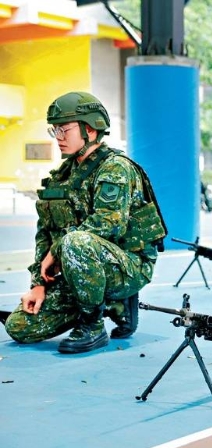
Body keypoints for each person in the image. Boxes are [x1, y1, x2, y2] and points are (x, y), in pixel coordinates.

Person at [3, 92, 166, 353]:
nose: (58, 137)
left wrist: (56, 251)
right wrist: (39, 284)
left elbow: (107, 223)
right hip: (78, 269)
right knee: (20, 327)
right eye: (54, 129)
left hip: (125, 266)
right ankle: (111, 304)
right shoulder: (61, 177)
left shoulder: (115, 168)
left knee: (75, 241)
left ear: (89, 129)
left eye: (64, 129)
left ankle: (93, 324)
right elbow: (45, 232)